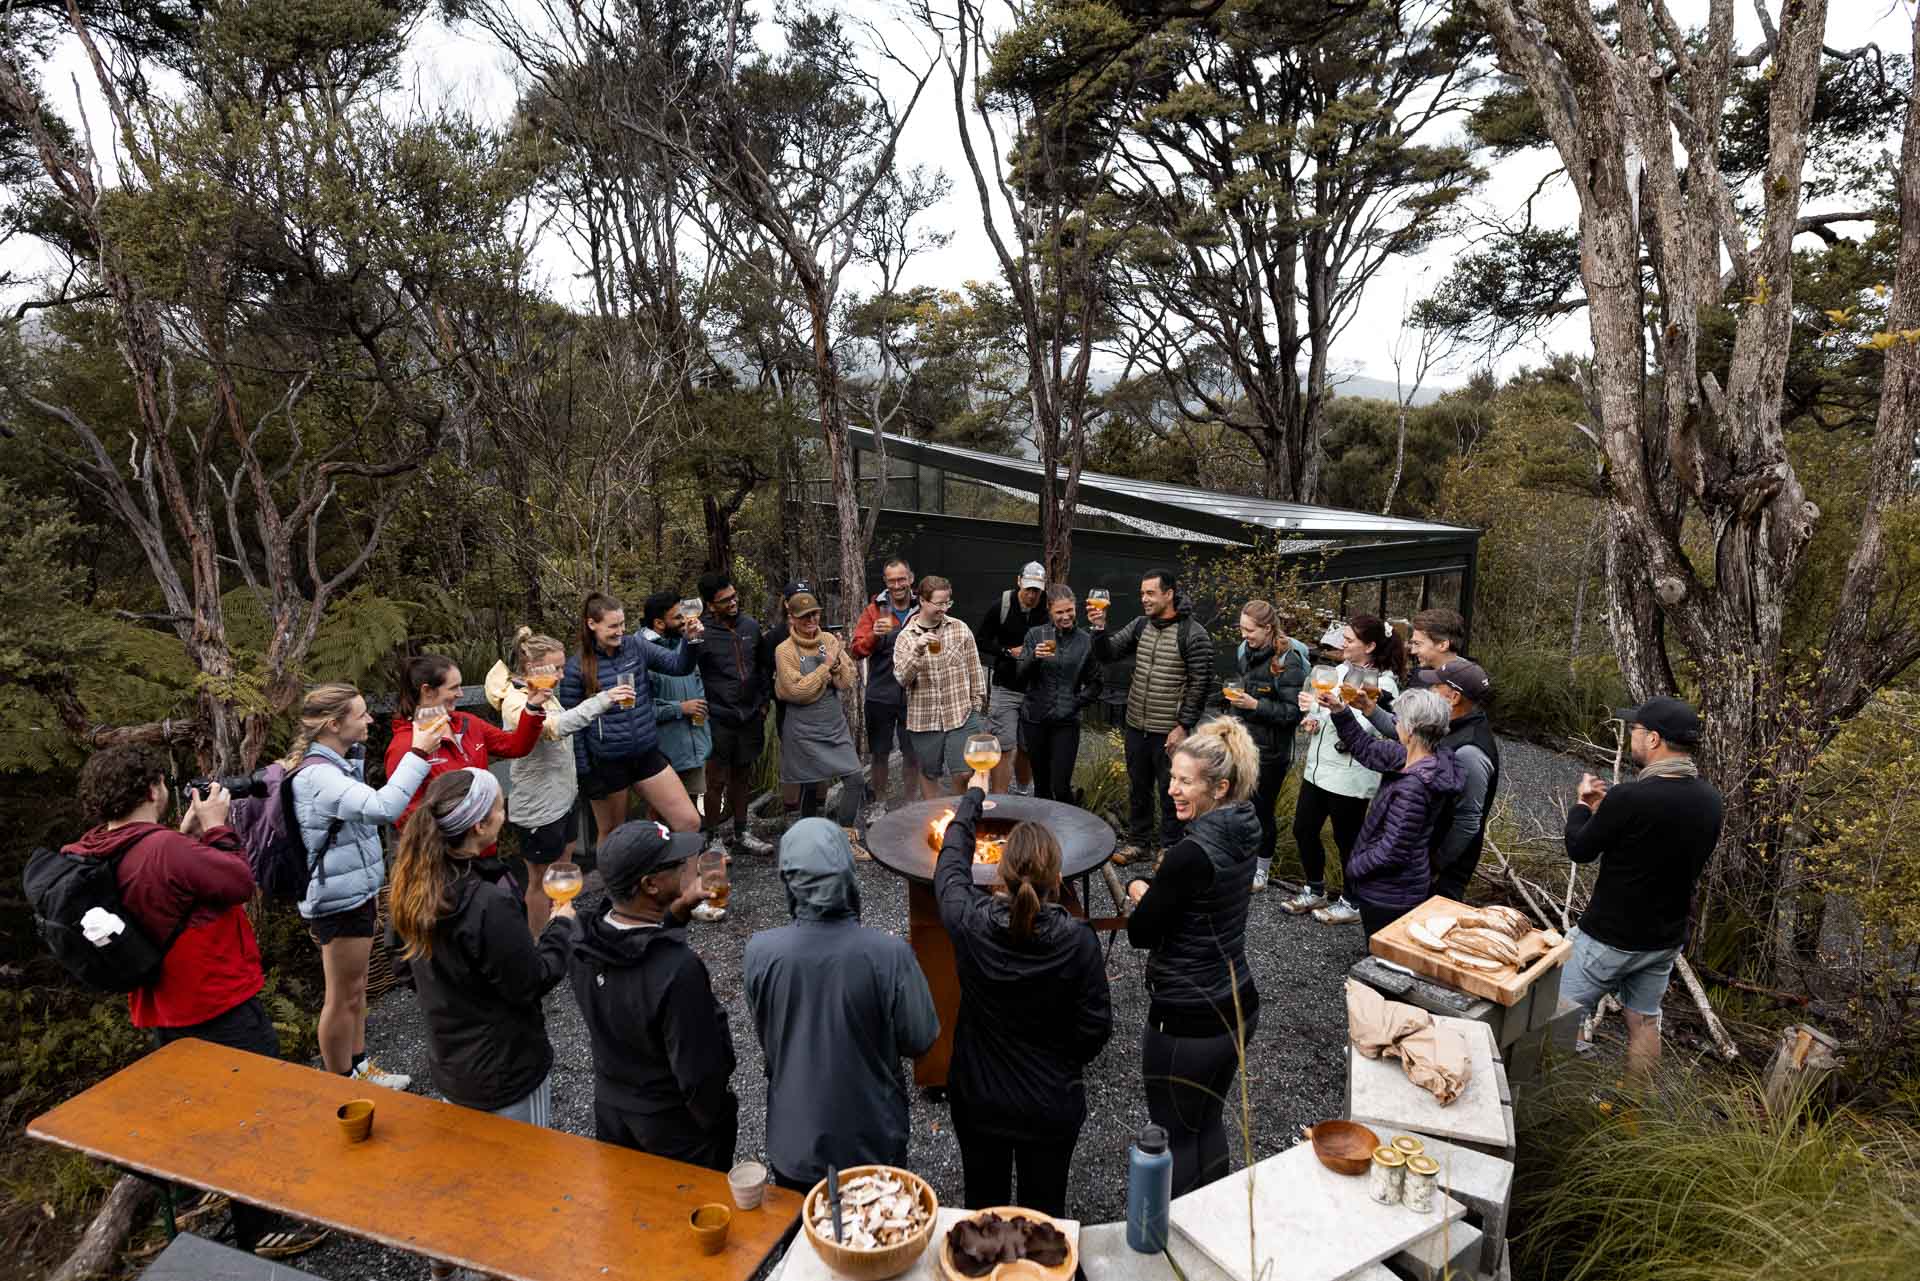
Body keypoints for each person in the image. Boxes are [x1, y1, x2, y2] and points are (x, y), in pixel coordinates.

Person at [64, 747, 329, 1259]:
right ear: (153, 789)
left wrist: (187, 836)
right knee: (256, 1110)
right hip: (216, 1000)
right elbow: (236, 880)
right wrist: (215, 828)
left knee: (203, 1109)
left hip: (162, 1003)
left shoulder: (99, 846)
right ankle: (260, 1229)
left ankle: (198, 1198)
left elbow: (160, 886)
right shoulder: (161, 847)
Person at [388, 769, 575, 1281]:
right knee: (522, 1182)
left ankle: (449, 1253)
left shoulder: (414, 880)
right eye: (497, 807)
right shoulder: (487, 904)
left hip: (453, 1060)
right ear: (478, 827)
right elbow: (531, 981)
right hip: (508, 1068)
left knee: (471, 1167)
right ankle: (505, 1265)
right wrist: (561, 927)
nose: (505, 811)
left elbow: (401, 960)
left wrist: (451, 994)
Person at [934, 772, 1112, 1217]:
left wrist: (972, 799)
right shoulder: (1078, 941)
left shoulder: (970, 923)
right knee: (1044, 1213)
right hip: (1050, 1102)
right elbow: (1095, 1028)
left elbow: (950, 867)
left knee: (983, 1210)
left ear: (1000, 871)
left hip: (979, 1097)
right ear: (1057, 875)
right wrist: (1060, 1061)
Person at [743, 819, 940, 1192]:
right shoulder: (888, 955)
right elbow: (921, 1038)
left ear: (788, 881)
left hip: (793, 1141)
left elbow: (769, 1037)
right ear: (850, 877)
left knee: (802, 1243)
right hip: (872, 1140)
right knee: (877, 1242)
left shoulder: (760, 952)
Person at [1122, 717, 1262, 1197]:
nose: (1172, 790)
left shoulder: (1191, 854)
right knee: (1206, 1121)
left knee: (1175, 1132)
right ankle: (1215, 1221)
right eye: (1173, 777)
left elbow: (1141, 933)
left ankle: (1178, 1243)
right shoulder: (1245, 823)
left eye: (1186, 782)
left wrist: (1143, 892)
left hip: (1188, 1015)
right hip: (1237, 1000)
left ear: (1220, 787)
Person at [1562, 697, 1723, 1077]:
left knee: (1552, 1013)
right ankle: (1636, 1113)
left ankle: (1545, 1100)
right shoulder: (1710, 800)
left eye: (1634, 731)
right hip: (1663, 941)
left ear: (1653, 739)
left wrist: (1583, 807)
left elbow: (1580, 849)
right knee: (1645, 1023)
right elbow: (1652, 844)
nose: (1630, 738)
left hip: (1607, 938)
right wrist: (1611, 811)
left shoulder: (1630, 797)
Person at [287, 682, 436, 1086]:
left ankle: (360, 1067)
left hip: (352, 890)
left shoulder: (335, 763)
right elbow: (383, 808)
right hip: (337, 900)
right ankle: (339, 1082)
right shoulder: (319, 776)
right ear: (334, 724)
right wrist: (419, 752)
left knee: (355, 991)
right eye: (361, 714)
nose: (370, 719)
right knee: (342, 995)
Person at [569, 819, 738, 1170]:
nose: (686, 870)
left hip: (615, 1115)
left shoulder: (583, 940)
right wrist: (717, 1121)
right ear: (649, 884)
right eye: (677, 865)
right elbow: (698, 1074)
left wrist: (673, 917)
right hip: (674, 1129)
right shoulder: (679, 969)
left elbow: (632, 960)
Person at [483, 628, 618, 933]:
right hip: (537, 809)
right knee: (541, 880)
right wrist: (602, 700)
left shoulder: (547, 694)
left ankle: (562, 927)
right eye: (556, 668)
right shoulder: (515, 703)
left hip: (563, 800)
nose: (561, 674)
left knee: (564, 869)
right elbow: (556, 727)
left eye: (561, 667)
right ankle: (538, 944)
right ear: (533, 668)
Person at [1314, 687, 1464, 936]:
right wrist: (1340, 711)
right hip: (1393, 885)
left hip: (1393, 891)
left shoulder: (1415, 786)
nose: (1394, 723)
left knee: (1382, 956)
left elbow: (1393, 849)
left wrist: (1355, 868)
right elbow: (1367, 748)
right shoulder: (1415, 757)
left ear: (1412, 730)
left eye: (1398, 719)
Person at [1286, 615, 1407, 923]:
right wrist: (1311, 715)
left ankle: (1352, 902)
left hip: (1350, 774)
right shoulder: (1337, 671)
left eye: (1350, 640)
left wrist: (1328, 714)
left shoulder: (1383, 684)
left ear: (1369, 646)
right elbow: (1321, 704)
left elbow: (1371, 728)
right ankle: (1315, 889)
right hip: (1318, 767)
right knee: (1303, 829)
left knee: (1348, 839)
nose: (1343, 644)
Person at [558, 591, 704, 844]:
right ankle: (616, 884)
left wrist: (690, 642)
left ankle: (686, 882)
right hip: (608, 762)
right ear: (592, 624)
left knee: (689, 822)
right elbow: (573, 727)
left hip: (645, 753)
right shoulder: (576, 667)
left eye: (623, 624)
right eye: (613, 626)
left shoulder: (634, 646)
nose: (620, 631)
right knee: (612, 834)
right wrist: (587, 775)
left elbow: (678, 667)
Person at [1091, 568, 1214, 864]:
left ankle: (1170, 849)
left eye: (1150, 593)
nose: (1144, 599)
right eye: (1142, 593)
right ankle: (1139, 843)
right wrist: (1098, 629)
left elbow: (1201, 683)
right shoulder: (1139, 626)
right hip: (1136, 723)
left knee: (1172, 792)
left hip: (1168, 730)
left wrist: (1183, 726)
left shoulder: (1192, 633)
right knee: (1138, 788)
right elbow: (1108, 655)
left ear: (1168, 594)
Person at [1357, 660, 1501, 902]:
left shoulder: (1470, 751)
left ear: (1453, 697)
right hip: (1422, 857)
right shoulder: (1451, 724)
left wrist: (1435, 864)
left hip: (1442, 870)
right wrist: (1369, 709)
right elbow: (1407, 732)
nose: (1430, 690)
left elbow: (1467, 821)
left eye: (1436, 687)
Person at [387, 654, 548, 833]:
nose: (460, 694)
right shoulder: (404, 747)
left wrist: (532, 707)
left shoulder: (468, 723)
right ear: (427, 691)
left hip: (483, 843)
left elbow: (515, 746)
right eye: (453, 688)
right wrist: (456, 841)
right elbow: (406, 816)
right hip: (445, 854)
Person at [1221, 601, 1309, 892]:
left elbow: (1292, 713)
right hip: (1243, 743)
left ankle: (1261, 870)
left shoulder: (1288, 660)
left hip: (1271, 752)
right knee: (1235, 804)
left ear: (1268, 628)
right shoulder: (1246, 652)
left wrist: (1254, 704)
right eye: (1242, 629)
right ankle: (1240, 860)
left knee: (1261, 810)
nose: (1245, 635)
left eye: (1250, 630)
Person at [695, 570, 774, 856]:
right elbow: (691, 673)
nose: (733, 602)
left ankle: (742, 832)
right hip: (718, 717)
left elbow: (763, 667)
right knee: (715, 780)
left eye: (734, 596)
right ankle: (713, 837)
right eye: (724, 600)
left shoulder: (750, 626)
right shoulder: (700, 634)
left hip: (750, 714)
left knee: (743, 774)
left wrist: (764, 702)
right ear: (710, 604)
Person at [892, 575, 988, 796]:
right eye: (939, 603)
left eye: (948, 602)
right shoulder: (905, 638)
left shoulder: (960, 629)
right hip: (925, 720)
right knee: (929, 772)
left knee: (964, 773)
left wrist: (976, 705)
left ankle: (959, 817)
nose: (944, 608)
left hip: (961, 714)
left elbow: (975, 669)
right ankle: (935, 820)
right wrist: (917, 649)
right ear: (923, 601)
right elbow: (902, 679)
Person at [774, 588, 862, 820]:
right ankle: (809, 843)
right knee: (810, 788)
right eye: (804, 615)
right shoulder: (784, 651)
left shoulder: (829, 640)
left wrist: (835, 668)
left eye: (815, 614)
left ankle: (847, 837)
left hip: (833, 727)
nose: (811, 620)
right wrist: (827, 666)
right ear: (791, 617)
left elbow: (845, 682)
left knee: (855, 779)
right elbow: (797, 692)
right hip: (802, 730)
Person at [1015, 585, 1102, 803]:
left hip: (1066, 721)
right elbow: (1020, 676)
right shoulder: (1035, 635)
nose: (1066, 616)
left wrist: (1075, 702)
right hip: (1035, 718)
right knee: (1042, 785)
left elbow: (1096, 683)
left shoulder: (1085, 641)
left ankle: (1068, 829)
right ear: (1050, 611)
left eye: (1069, 610)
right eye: (1059, 612)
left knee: (1060, 785)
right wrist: (1034, 657)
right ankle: (1043, 834)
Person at [850, 558, 920, 812]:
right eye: (892, 580)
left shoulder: (923, 605)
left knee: (912, 754)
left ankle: (910, 805)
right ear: (886, 583)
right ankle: (879, 804)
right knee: (879, 753)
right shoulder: (874, 610)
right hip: (881, 693)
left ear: (910, 578)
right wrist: (874, 635)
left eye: (901, 579)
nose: (897, 585)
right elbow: (856, 650)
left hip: (915, 694)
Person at [976, 561, 1050, 795]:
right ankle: (999, 798)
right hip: (1006, 686)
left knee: (1027, 746)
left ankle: (1022, 792)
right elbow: (982, 640)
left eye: (1036, 590)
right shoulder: (1003, 606)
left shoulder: (1049, 609)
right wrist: (1008, 651)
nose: (1031, 594)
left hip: (1035, 688)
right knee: (1004, 744)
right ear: (1019, 582)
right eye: (1028, 588)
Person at [641, 592, 714, 824]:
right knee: (661, 815)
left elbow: (698, 686)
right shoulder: (641, 651)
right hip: (662, 752)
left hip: (694, 746)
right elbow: (640, 710)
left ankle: (695, 854)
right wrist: (679, 708)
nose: (686, 621)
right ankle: (661, 857)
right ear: (659, 623)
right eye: (678, 618)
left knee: (693, 812)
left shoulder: (686, 645)